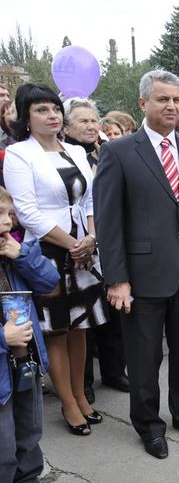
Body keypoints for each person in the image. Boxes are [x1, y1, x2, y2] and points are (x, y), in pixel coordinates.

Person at [93, 70, 179, 459]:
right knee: (145, 356)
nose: (171, 106)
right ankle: (149, 425)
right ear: (143, 103)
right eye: (162, 99)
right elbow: (109, 220)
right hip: (141, 276)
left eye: (176, 100)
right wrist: (116, 278)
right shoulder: (118, 152)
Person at [4, 84, 107, 436]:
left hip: (83, 250)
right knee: (57, 333)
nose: (51, 116)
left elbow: (90, 201)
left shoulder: (76, 152)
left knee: (80, 329)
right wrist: (72, 243)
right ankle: (67, 403)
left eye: (54, 108)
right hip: (47, 254)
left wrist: (89, 239)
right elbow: (28, 213)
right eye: (41, 110)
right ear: (26, 118)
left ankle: (81, 395)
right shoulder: (20, 155)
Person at [0, 186, 67, 483]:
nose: (4, 228)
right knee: (3, 447)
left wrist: (21, 253)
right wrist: (2, 337)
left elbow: (49, 281)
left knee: (29, 435)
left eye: (6, 218)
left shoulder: (12, 251)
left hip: (25, 363)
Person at [60, 98, 129, 404]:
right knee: (84, 317)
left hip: (109, 241)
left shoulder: (107, 152)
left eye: (94, 120)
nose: (91, 126)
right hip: (78, 243)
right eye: (83, 121)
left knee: (114, 313)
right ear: (66, 126)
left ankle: (114, 371)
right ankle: (83, 382)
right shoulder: (64, 157)